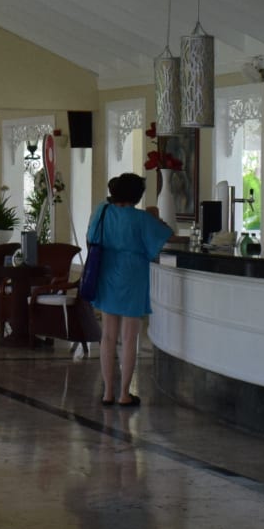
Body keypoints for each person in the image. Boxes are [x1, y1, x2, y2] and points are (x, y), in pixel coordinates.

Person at [84, 172, 173, 409]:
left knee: (108, 336)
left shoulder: (102, 211)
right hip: (133, 275)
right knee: (129, 337)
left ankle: (108, 392)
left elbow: (91, 237)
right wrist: (156, 217)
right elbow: (164, 238)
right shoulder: (141, 218)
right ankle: (124, 393)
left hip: (107, 272)